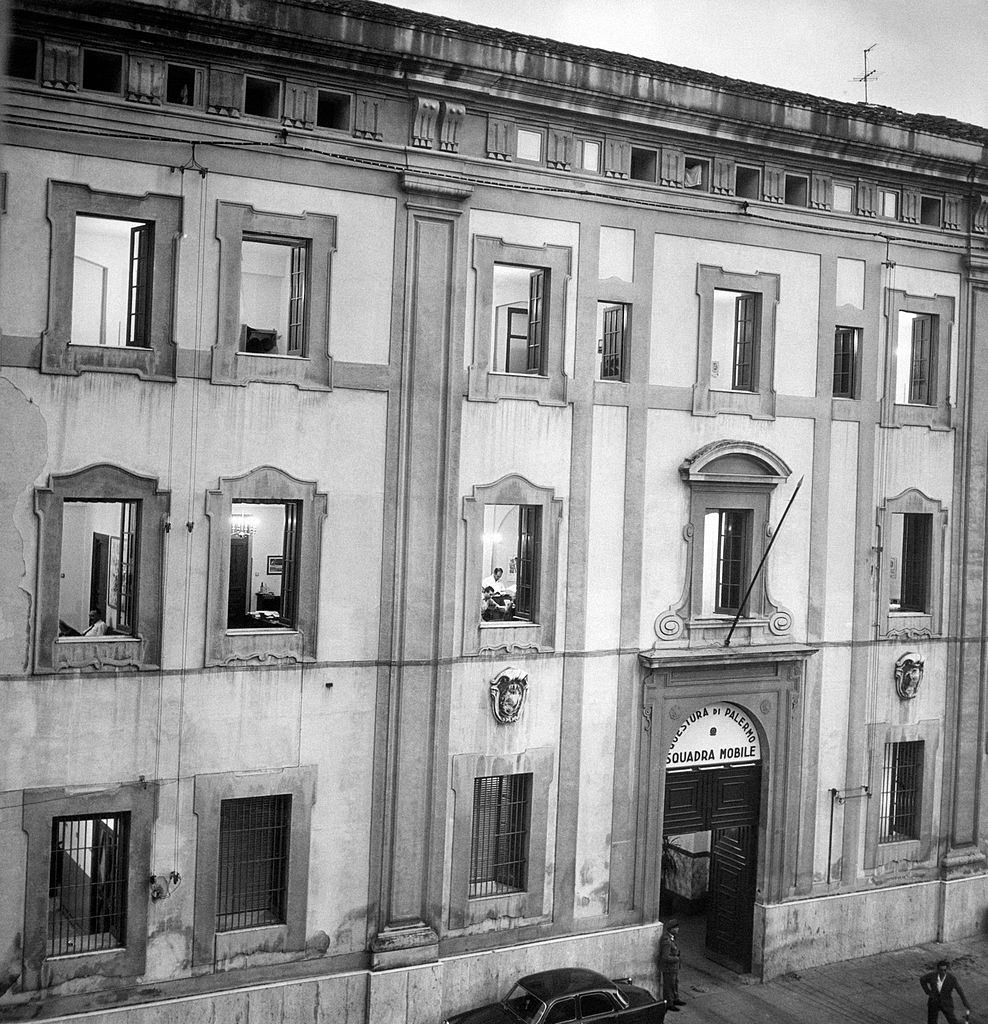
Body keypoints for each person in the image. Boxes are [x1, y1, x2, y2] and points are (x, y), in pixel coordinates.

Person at [920, 959, 971, 1024]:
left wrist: (965, 1002)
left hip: (946, 1003)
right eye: (941, 970)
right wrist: (928, 992)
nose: (943, 972)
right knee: (931, 1022)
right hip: (933, 1002)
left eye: (945, 970)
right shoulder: (932, 975)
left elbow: (959, 990)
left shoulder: (951, 978)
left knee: (952, 1021)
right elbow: (922, 980)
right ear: (937, 969)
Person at [657, 919, 686, 1012]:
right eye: (676, 928)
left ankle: (675, 999)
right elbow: (665, 957)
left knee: (674, 984)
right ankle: (669, 1003)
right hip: (669, 968)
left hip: (674, 968)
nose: (678, 929)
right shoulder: (667, 941)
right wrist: (676, 959)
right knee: (669, 986)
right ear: (671, 929)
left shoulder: (672, 938)